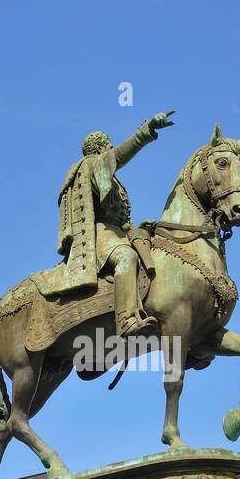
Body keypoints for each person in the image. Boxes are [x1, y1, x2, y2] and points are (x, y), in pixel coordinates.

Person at [44, 112, 176, 337]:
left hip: (116, 233)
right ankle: (126, 321)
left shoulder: (104, 175)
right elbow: (121, 154)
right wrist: (145, 132)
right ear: (99, 149)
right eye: (109, 146)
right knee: (127, 257)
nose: (112, 149)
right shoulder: (92, 163)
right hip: (99, 234)